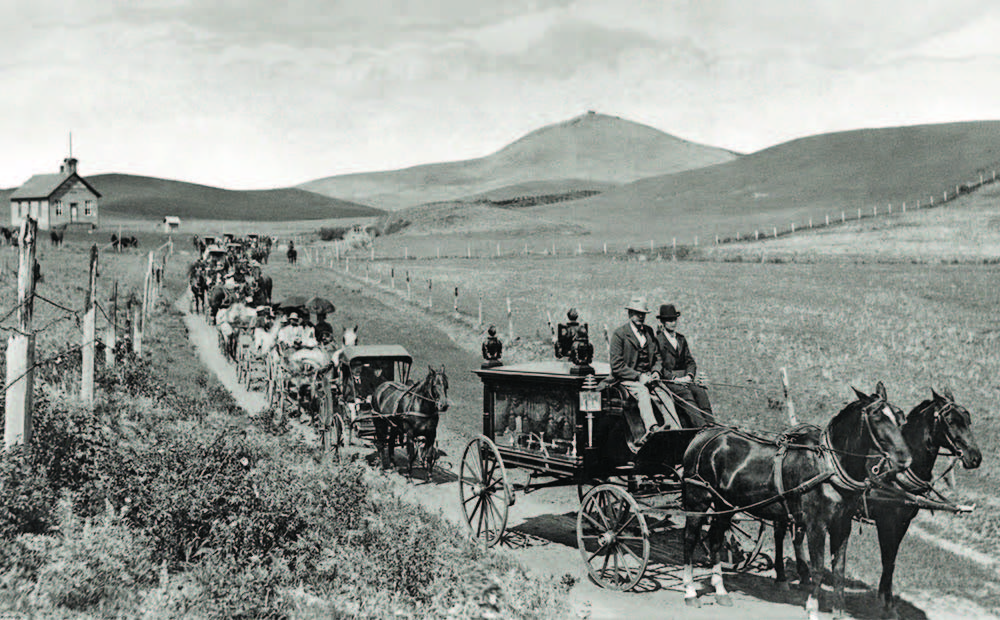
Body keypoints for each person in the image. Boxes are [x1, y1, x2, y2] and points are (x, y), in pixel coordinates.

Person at [610, 296, 674, 451]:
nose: (640, 316)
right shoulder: (620, 335)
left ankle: (675, 430)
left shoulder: (649, 332)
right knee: (643, 392)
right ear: (629, 313)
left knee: (664, 393)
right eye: (637, 313)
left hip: (648, 377)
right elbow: (616, 366)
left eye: (643, 314)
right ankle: (652, 429)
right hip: (627, 379)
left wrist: (656, 372)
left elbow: (658, 357)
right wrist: (639, 376)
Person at [654, 304, 715, 427]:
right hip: (669, 381)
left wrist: (689, 376)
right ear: (663, 322)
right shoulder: (658, 341)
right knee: (685, 394)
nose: (673, 323)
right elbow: (658, 363)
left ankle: (712, 425)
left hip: (685, 379)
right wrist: (675, 379)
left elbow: (690, 361)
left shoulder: (681, 339)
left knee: (700, 392)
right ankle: (701, 427)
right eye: (669, 320)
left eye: (674, 319)